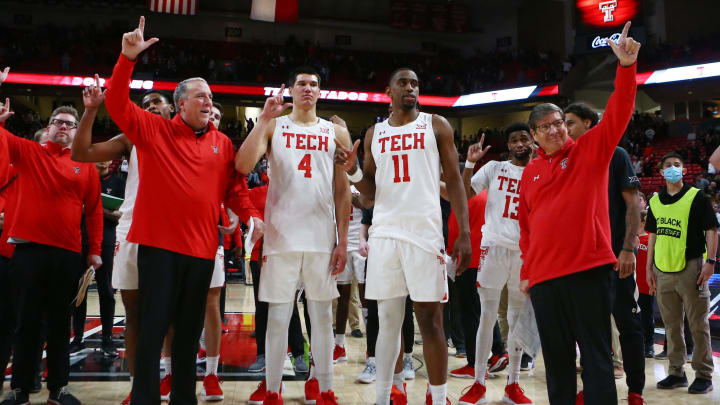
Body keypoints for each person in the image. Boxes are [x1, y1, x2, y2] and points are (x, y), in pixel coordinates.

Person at [104, 17, 263, 405]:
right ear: (180, 104)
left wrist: (249, 215)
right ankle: (144, 397)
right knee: (154, 328)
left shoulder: (223, 143)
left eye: (210, 97)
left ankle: (183, 399)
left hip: (201, 250)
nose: (209, 103)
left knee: (189, 334)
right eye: (201, 97)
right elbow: (116, 104)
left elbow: (234, 189)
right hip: (158, 249)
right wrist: (126, 59)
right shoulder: (153, 131)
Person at [517, 21, 640, 405]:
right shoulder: (531, 173)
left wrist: (625, 67)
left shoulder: (590, 150)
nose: (555, 130)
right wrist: (527, 273)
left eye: (559, 123)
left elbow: (619, 112)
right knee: (556, 363)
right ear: (534, 135)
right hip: (544, 279)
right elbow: (527, 227)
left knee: (597, 358)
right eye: (545, 127)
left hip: (588, 270)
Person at [335, 67, 472, 405]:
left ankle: (437, 398)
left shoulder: (436, 125)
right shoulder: (374, 134)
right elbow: (369, 194)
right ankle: (384, 396)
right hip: (384, 235)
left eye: (415, 83)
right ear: (389, 91)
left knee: (431, 322)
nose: (411, 87)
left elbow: (454, 181)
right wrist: (351, 170)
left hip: (425, 234)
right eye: (403, 83)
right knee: (387, 322)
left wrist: (465, 231)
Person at [235, 65, 352, 405]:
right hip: (281, 236)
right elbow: (242, 166)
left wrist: (342, 240)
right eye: (301, 83)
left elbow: (343, 191)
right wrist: (261, 121)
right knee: (277, 317)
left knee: (322, 316)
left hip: (320, 238)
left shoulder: (336, 132)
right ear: (290, 89)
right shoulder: (274, 125)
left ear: (320, 92)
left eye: (313, 84)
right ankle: (273, 389)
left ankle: (323, 386)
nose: (307, 89)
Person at [69, 79, 176, 405]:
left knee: (169, 313)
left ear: (173, 108)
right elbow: (80, 152)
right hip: (131, 230)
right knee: (134, 313)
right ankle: (137, 384)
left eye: (159, 102)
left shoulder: (185, 137)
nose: (153, 108)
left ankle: (170, 376)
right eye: (146, 105)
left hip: (172, 232)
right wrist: (90, 111)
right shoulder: (133, 138)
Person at [0, 102, 103, 405]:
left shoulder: (85, 165)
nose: (63, 127)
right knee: (25, 323)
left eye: (70, 124)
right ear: (48, 127)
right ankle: (19, 389)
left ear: (76, 131)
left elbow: (95, 212)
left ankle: (58, 388)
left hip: (68, 254)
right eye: (58, 122)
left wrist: (95, 251)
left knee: (60, 324)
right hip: (28, 251)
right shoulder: (29, 152)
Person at [564, 101, 646, 404]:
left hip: (616, 258)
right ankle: (594, 386)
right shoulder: (570, 158)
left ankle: (635, 390)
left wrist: (627, 248)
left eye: (570, 122)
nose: (565, 128)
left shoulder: (616, 154)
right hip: (585, 261)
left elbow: (632, 205)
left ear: (589, 123)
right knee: (589, 330)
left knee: (628, 325)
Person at [454, 123, 536, 405]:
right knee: (487, 316)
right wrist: (469, 163)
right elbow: (464, 195)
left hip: (525, 252)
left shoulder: (540, 171)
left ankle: (513, 384)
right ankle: (478, 382)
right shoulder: (494, 169)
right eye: (514, 140)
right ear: (508, 146)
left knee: (516, 318)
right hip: (494, 247)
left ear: (533, 141)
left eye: (524, 138)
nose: (519, 143)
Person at [646, 152, 717, 395]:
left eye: (677, 164)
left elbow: (712, 231)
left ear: (685, 171)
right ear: (661, 171)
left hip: (692, 267)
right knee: (671, 326)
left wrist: (711, 262)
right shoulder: (655, 202)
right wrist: (648, 267)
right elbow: (652, 237)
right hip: (662, 269)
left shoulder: (697, 197)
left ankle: (704, 375)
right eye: (668, 165)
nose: (673, 168)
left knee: (698, 324)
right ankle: (676, 372)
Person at [69, 159, 125, 358]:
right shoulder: (82, 179)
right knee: (78, 290)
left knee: (106, 291)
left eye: (107, 156)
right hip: (79, 238)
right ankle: (77, 339)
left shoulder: (119, 182)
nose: (103, 159)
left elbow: (119, 214)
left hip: (107, 241)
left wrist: (93, 208)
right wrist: (102, 210)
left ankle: (107, 338)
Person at [635, 211, 655, 358]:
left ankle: (649, 345)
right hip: (633, 286)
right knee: (636, 317)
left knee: (647, 317)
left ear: (642, 222)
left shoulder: (650, 239)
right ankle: (638, 343)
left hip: (647, 285)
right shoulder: (631, 239)